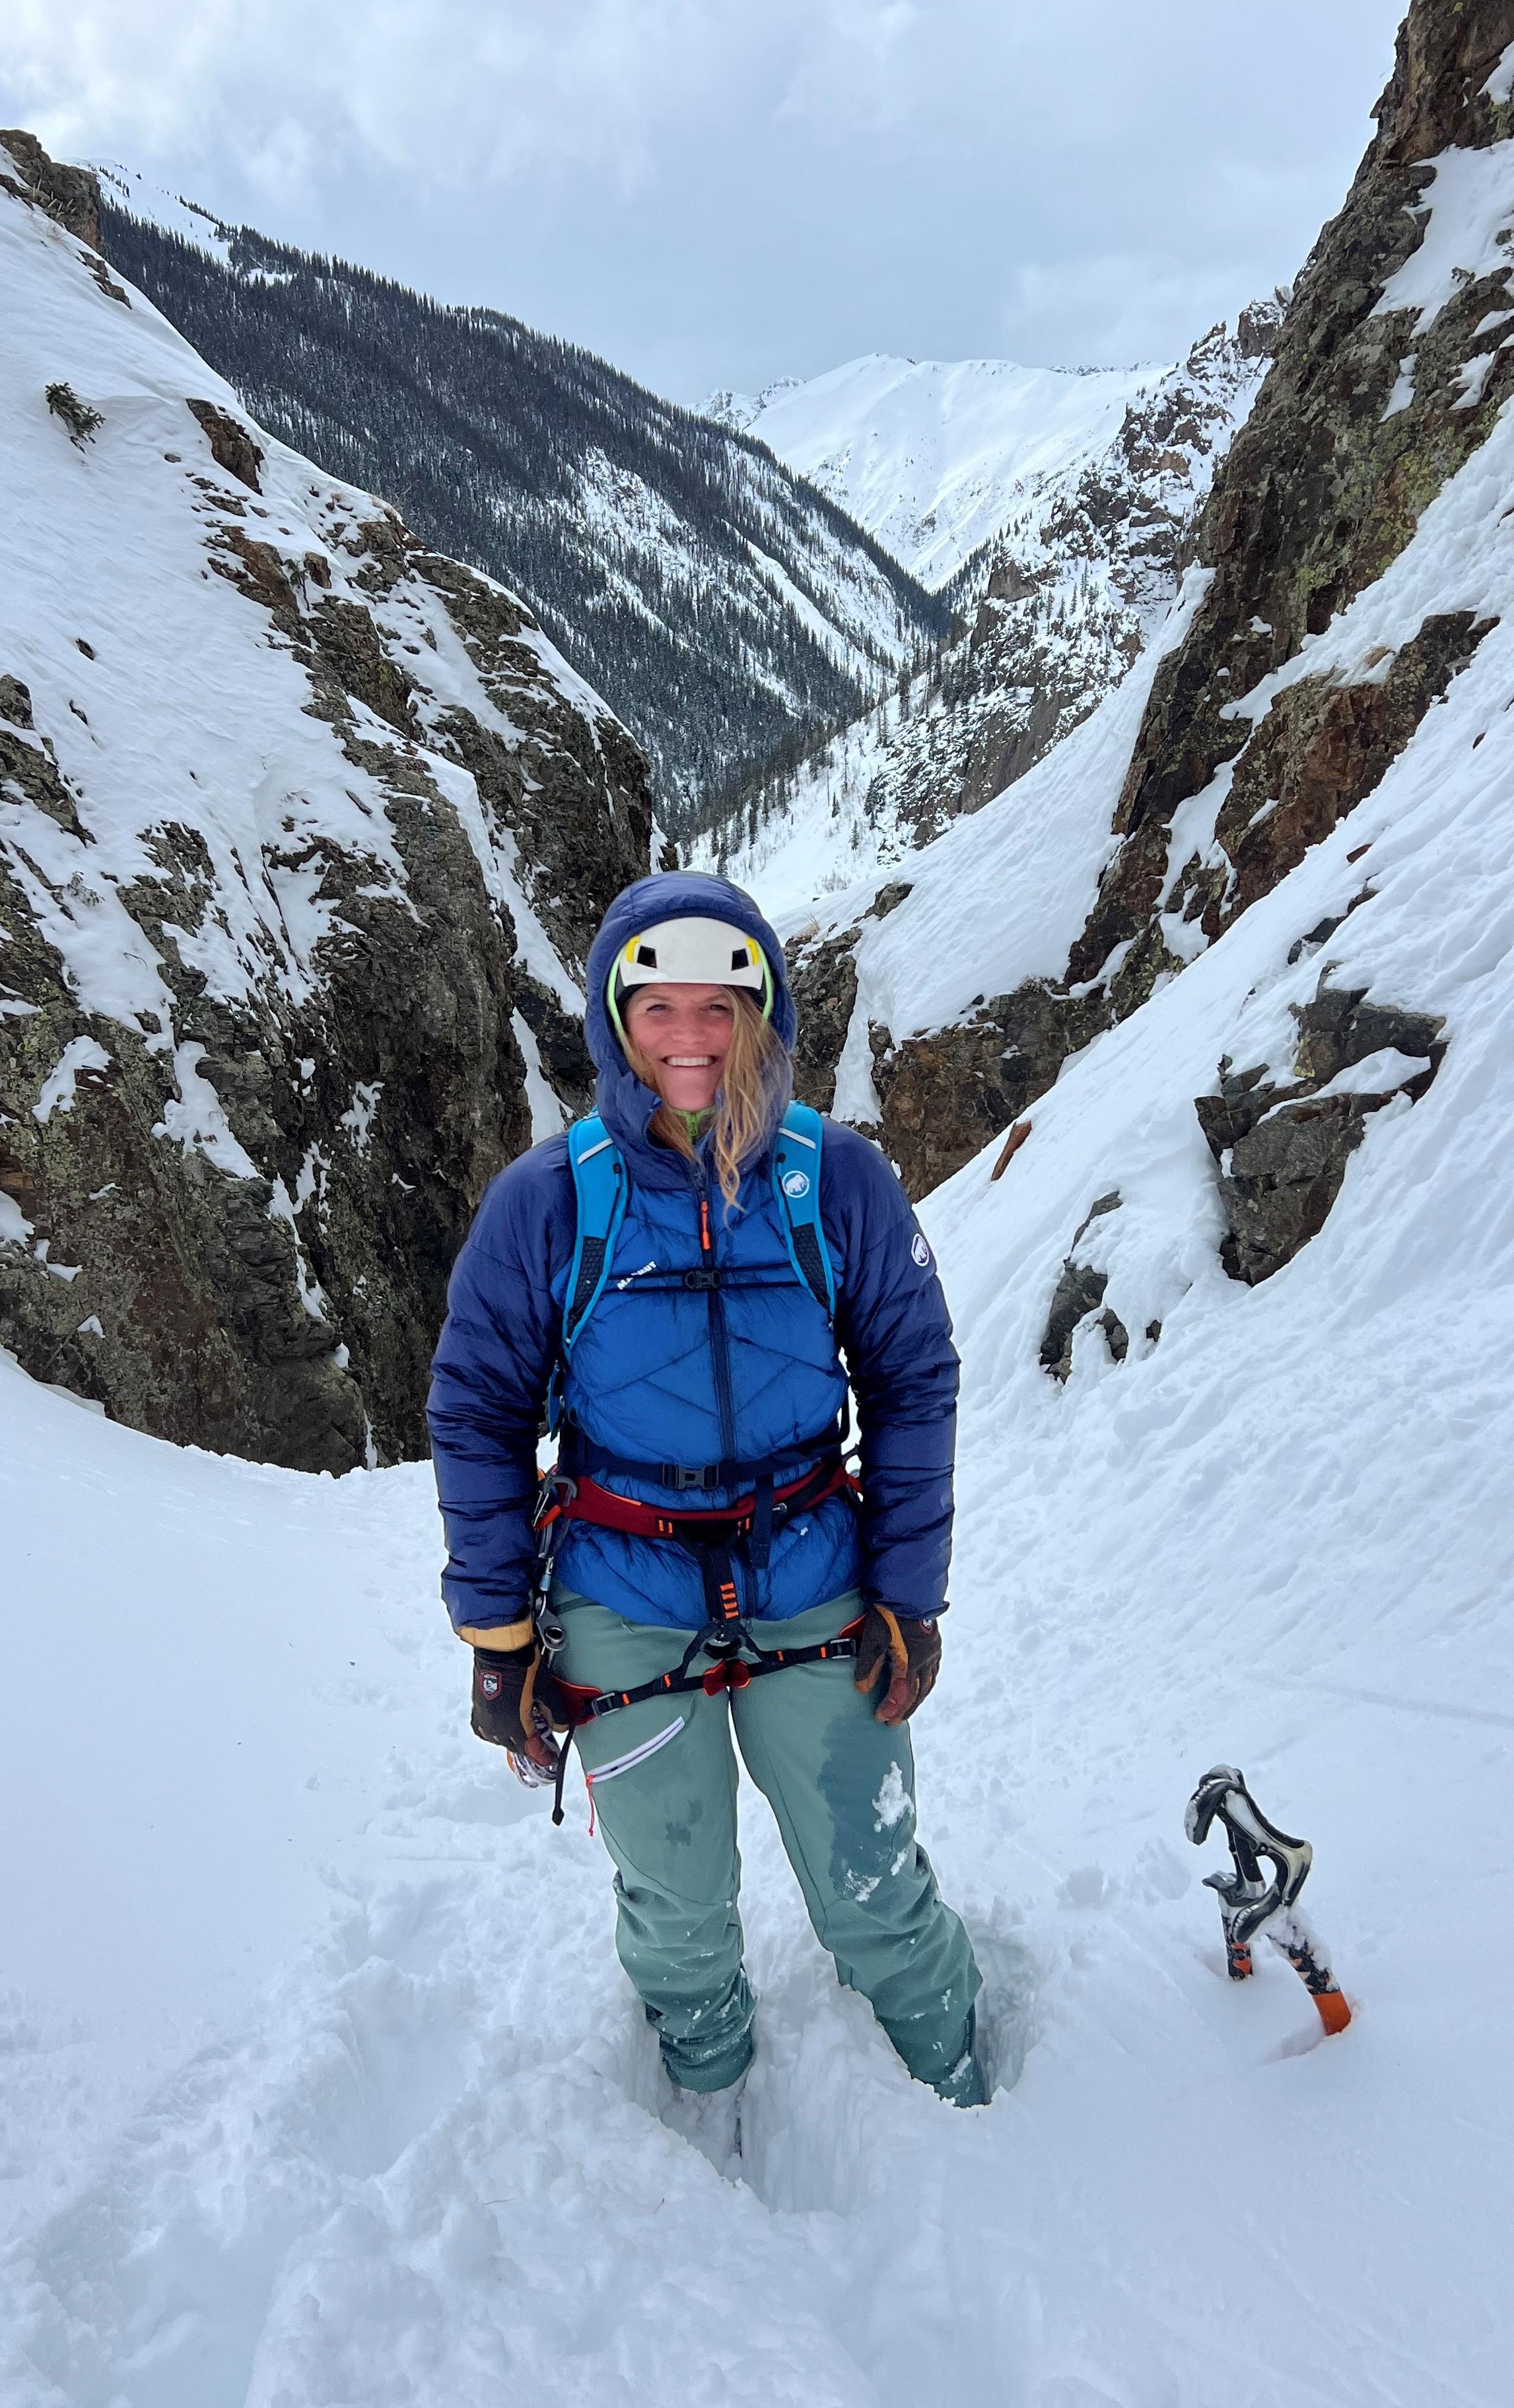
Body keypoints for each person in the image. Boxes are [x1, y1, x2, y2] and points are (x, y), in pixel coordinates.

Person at [427, 872, 984, 2137]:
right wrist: (499, 1640)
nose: (690, 1037)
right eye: (659, 1007)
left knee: (872, 1884)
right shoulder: (551, 1202)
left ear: (764, 1013)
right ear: (615, 1020)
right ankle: (709, 2114)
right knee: (676, 1903)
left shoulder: (833, 1180)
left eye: (720, 1007)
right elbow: (477, 1412)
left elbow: (911, 1377)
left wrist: (908, 1595)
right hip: (624, 1591)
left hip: (813, 1577)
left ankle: (964, 2108)